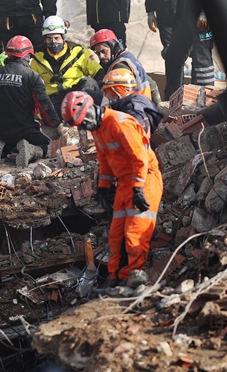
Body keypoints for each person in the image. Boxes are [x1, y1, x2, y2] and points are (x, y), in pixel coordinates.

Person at [61, 91, 162, 287]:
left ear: (89, 110)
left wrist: (138, 189)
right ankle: (116, 277)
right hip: (126, 182)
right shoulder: (99, 130)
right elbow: (105, 161)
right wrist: (103, 187)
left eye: (82, 122)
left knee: (135, 232)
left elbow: (140, 158)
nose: (82, 127)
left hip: (145, 178)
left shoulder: (119, 123)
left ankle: (134, 278)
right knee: (116, 235)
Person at [0, 35, 69, 168]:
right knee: (48, 145)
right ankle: (32, 150)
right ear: (27, 56)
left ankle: (0, 145)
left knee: (6, 138)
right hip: (25, 130)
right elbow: (45, 106)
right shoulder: (32, 77)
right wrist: (58, 126)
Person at [30, 15, 102, 111]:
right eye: (49, 39)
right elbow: (31, 85)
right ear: (44, 40)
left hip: (77, 94)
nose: (53, 42)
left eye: (57, 38)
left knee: (89, 82)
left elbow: (98, 72)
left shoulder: (79, 53)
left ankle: (83, 114)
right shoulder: (37, 59)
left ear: (63, 37)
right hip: (53, 98)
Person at [90, 29, 161, 105]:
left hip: (132, 109)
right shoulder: (129, 58)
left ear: (113, 47)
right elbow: (152, 84)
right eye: (98, 53)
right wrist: (157, 107)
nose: (101, 56)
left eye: (104, 51)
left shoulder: (119, 66)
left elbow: (116, 96)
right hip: (143, 107)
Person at [100, 68, 163, 136]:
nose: (104, 95)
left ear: (117, 91)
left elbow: (133, 136)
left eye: (106, 91)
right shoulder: (139, 100)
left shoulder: (132, 111)